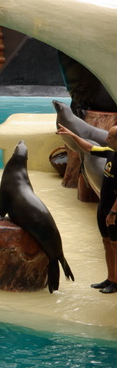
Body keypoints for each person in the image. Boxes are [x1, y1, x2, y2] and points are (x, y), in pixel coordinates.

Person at [56, 125, 117, 293]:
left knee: (115, 245)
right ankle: (111, 278)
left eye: (110, 138)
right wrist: (72, 135)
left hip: (114, 211)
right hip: (104, 206)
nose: (106, 139)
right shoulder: (111, 152)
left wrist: (113, 213)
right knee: (107, 243)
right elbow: (89, 148)